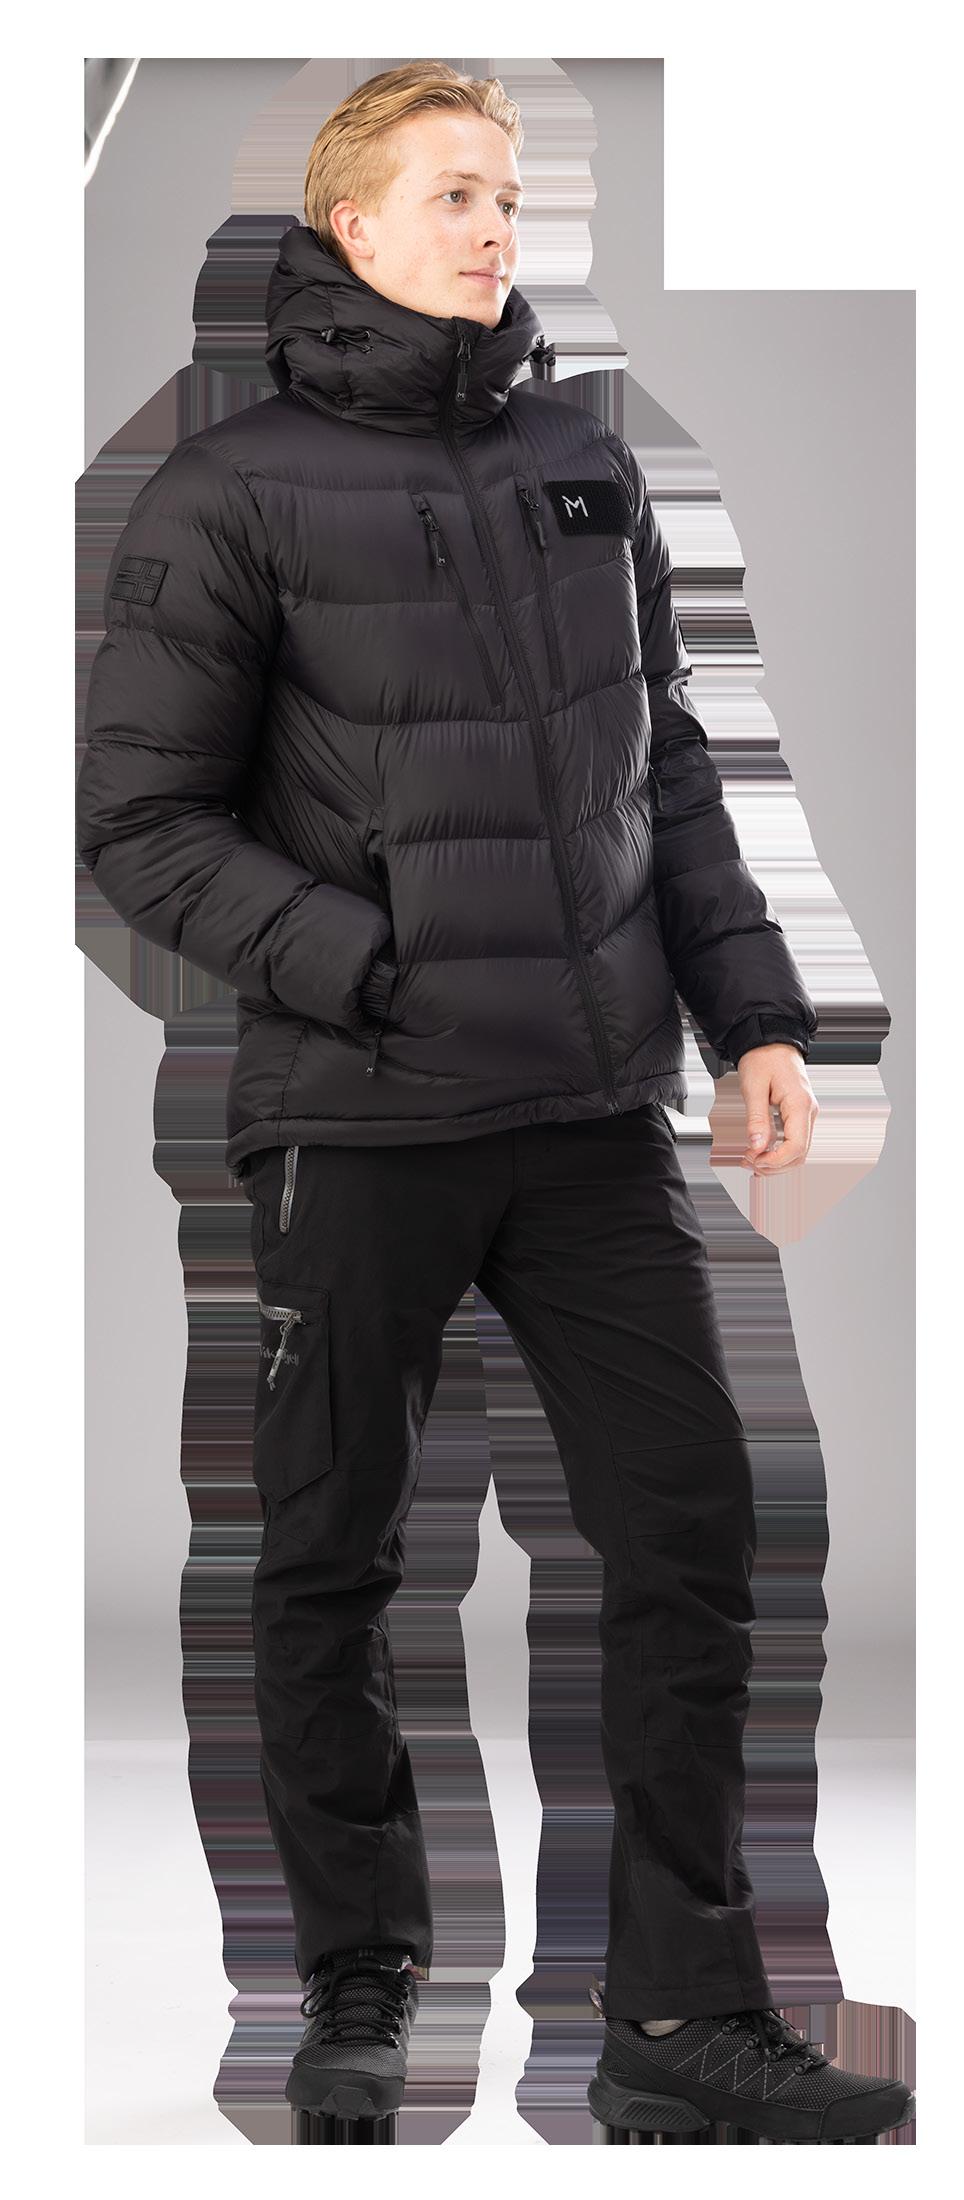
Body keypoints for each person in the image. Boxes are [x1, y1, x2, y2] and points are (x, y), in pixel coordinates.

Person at [76, 61, 914, 2146]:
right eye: (452, 192)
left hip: (588, 1111)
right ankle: (353, 1986)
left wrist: (756, 1017)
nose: (493, 225)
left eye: (506, 192)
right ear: (351, 227)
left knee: (692, 1528)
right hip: (359, 1112)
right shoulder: (226, 489)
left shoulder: (579, 462)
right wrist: (371, 965)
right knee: (334, 1561)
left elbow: (670, 767)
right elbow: (140, 826)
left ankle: (680, 2017)